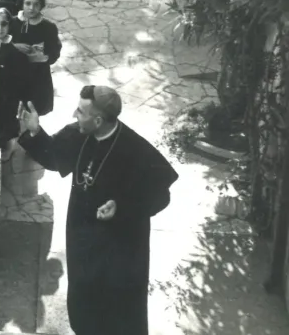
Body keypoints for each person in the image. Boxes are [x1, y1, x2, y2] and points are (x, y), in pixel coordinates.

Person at [16, 86, 178, 335]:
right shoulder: (79, 133)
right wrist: (35, 131)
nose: (74, 115)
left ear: (99, 120)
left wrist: (122, 207)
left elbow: (160, 195)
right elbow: (55, 156)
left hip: (121, 247)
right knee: (84, 303)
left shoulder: (134, 148)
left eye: (81, 112)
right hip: (84, 238)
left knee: (116, 313)